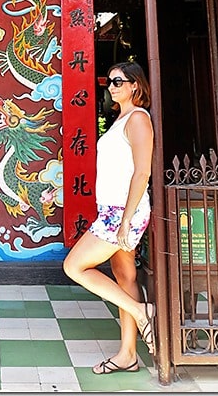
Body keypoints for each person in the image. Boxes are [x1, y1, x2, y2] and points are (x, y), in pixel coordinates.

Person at [63, 61, 156, 375]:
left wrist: (127, 219)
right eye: (110, 82)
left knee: (74, 266)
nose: (112, 86)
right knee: (124, 277)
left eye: (119, 81)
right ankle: (128, 354)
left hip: (123, 213)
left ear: (135, 85)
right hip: (114, 211)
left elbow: (143, 171)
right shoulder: (121, 119)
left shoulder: (139, 119)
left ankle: (142, 311)